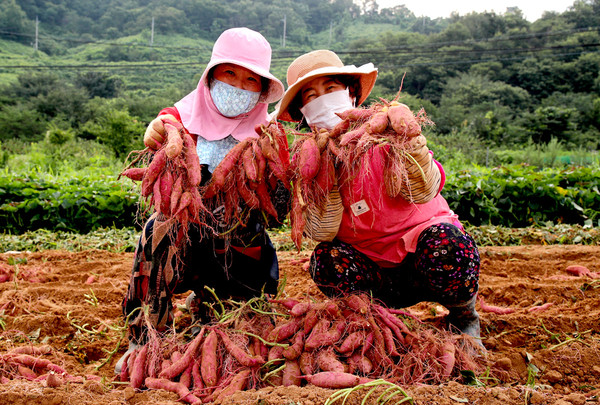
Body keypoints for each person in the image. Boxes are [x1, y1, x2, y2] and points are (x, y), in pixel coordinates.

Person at [276, 50, 482, 342]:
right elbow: (320, 231)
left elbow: (425, 190)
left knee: (448, 245)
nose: (322, 99)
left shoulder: (385, 133)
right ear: (303, 113)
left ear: (350, 94)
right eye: (310, 96)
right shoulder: (306, 163)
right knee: (325, 260)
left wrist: (411, 142)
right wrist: (324, 174)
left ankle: (464, 316)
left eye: (331, 88)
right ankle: (373, 322)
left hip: (424, 258)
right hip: (372, 274)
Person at [115, 27, 287, 374]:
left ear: (262, 90)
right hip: (182, 245)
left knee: (230, 329)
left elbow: (278, 215)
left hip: (238, 256)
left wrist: (275, 177)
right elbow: (159, 156)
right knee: (158, 225)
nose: (238, 86)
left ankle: (207, 308)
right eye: (229, 73)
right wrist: (157, 139)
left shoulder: (269, 134)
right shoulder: (179, 119)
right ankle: (147, 337)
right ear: (210, 77)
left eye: (250, 80)